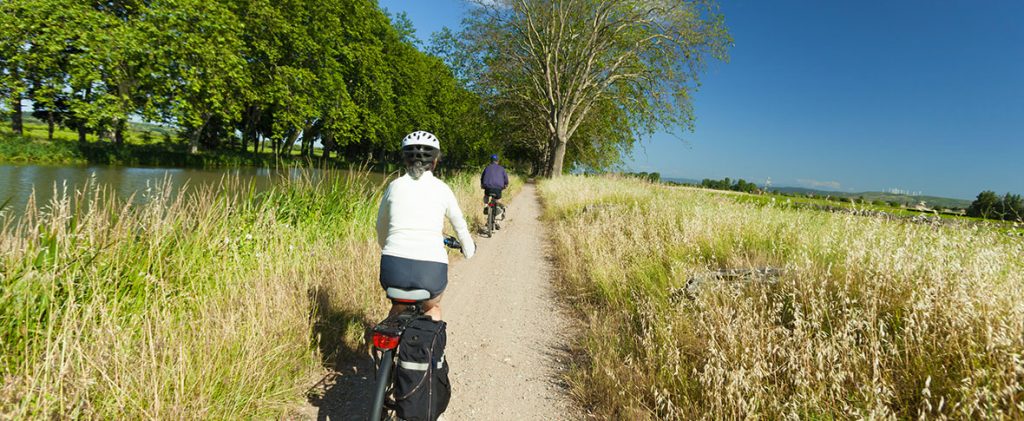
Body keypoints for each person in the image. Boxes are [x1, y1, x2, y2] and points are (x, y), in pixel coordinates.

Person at [375, 131, 475, 321]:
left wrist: (386, 246)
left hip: (393, 267)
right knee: (432, 308)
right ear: (435, 161)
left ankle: (385, 347)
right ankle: (432, 350)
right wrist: (469, 250)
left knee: (398, 306)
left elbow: (380, 225)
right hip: (431, 271)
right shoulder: (442, 189)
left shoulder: (394, 186)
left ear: (405, 159)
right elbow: (459, 224)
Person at [480, 154, 509, 223]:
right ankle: (497, 221)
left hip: (488, 187)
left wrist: (482, 185)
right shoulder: (502, 169)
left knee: (486, 196)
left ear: (491, 161)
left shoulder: (487, 168)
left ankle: (486, 205)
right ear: (498, 161)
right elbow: (506, 179)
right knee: (498, 201)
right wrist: (506, 185)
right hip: (498, 188)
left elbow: (482, 178)